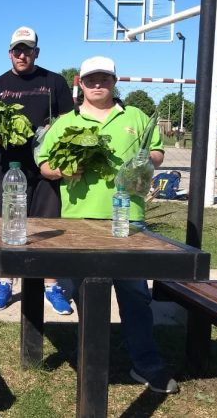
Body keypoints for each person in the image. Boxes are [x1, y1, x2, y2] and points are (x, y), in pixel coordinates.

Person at [37, 56, 177, 394]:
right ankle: (91, 359)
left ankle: (146, 364)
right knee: (87, 293)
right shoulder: (66, 121)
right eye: (91, 79)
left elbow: (157, 153)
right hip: (80, 219)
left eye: (105, 78)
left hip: (129, 218)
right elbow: (44, 164)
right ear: (80, 83)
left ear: (114, 81)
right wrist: (63, 171)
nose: (98, 84)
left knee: (134, 294)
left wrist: (146, 160)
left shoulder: (136, 117)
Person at [0, 26, 75, 314]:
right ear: (9, 53)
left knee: (46, 226)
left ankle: (51, 284)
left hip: (45, 169)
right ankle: (6, 281)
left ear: (36, 52)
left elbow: (70, 121)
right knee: (10, 226)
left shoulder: (53, 82)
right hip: (7, 168)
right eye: (17, 49)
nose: (22, 54)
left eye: (27, 49)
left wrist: (54, 130)